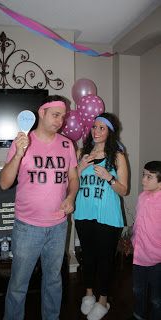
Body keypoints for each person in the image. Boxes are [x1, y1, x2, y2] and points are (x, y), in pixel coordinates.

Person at [0, 95, 79, 320]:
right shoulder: (23, 141)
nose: (60, 121)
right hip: (27, 227)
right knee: (18, 284)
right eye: (55, 115)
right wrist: (18, 153)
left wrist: (71, 197)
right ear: (41, 113)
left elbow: (73, 178)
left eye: (63, 117)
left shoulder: (67, 144)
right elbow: (4, 183)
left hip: (58, 226)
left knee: (53, 280)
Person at [73, 112, 128, 320]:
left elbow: (124, 190)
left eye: (101, 128)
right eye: (94, 127)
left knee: (105, 259)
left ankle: (103, 300)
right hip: (84, 212)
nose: (96, 131)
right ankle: (88, 294)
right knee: (88, 257)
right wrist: (80, 167)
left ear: (110, 132)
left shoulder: (118, 156)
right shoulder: (80, 152)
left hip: (108, 215)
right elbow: (70, 182)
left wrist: (109, 177)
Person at [129, 161, 161, 320]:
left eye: (149, 177)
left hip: (157, 259)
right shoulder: (142, 196)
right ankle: (138, 315)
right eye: (143, 175)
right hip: (139, 256)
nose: (143, 180)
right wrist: (134, 240)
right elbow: (139, 223)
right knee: (138, 290)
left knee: (156, 297)